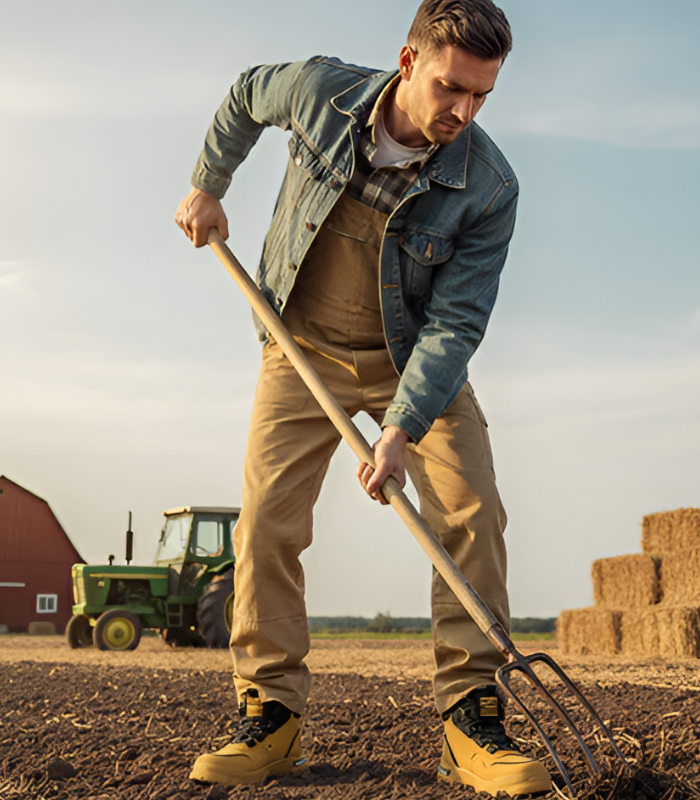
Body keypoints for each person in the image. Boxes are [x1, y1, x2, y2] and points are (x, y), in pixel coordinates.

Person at [175, 0, 551, 795]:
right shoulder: (319, 92)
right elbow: (246, 95)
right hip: (299, 345)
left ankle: (472, 718)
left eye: (482, 96)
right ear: (409, 61)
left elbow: (456, 322)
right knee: (268, 524)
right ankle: (269, 716)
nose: (464, 111)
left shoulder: (488, 187)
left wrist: (401, 429)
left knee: (473, 510)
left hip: (412, 359)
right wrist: (209, 185)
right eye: (452, 88)